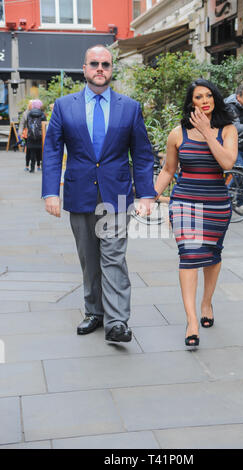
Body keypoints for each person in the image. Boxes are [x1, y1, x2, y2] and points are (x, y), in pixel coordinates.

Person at [42, 45, 156, 343]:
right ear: (84, 68)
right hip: (79, 192)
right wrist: (50, 193)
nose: (100, 68)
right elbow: (53, 151)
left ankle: (117, 321)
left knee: (114, 257)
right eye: (94, 63)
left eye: (105, 63)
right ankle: (94, 311)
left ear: (112, 68)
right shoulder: (65, 106)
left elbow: (142, 155)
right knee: (88, 257)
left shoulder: (129, 107)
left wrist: (146, 195)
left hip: (116, 194)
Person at [154, 79, 237, 346]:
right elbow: (168, 170)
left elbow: (227, 163)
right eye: (199, 97)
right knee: (189, 255)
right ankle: (191, 320)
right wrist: (149, 196)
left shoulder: (227, 130)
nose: (205, 101)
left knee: (212, 256)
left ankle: (206, 304)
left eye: (209, 96)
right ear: (191, 102)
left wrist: (208, 132)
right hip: (185, 202)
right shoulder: (178, 133)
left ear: (215, 100)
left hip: (216, 203)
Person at [26, 99, 46, 173]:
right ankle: (41, 166)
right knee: (41, 152)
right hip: (40, 136)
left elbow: (28, 125)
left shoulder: (29, 114)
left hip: (31, 136)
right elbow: (44, 126)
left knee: (32, 152)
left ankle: (32, 168)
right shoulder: (42, 114)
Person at [18, 100, 33, 171]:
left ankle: (31, 165)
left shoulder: (39, 113)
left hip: (31, 133)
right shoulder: (25, 113)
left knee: (31, 149)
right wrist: (20, 132)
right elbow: (22, 124)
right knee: (29, 149)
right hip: (28, 134)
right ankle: (28, 165)